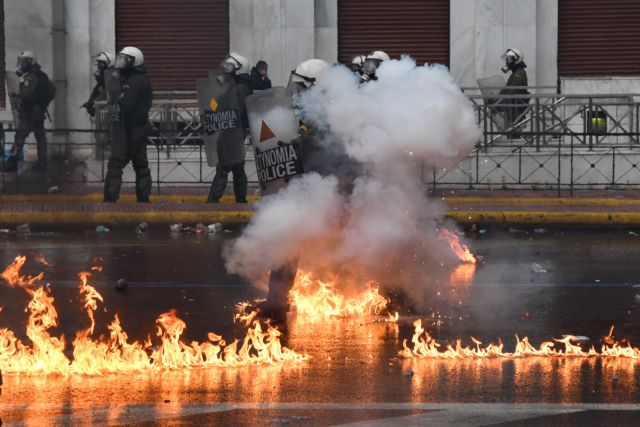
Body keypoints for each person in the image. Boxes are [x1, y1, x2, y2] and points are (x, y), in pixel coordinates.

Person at [257, 58, 330, 324]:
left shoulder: (328, 114)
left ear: (315, 85)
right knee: (287, 241)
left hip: (321, 190)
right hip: (306, 188)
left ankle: (395, 294)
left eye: (301, 86)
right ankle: (276, 300)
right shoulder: (308, 113)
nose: (297, 91)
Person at [103, 46, 153, 203]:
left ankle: (110, 199)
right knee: (141, 165)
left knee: (116, 164)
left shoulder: (133, 81)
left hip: (128, 128)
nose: (121, 62)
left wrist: (115, 86)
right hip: (136, 127)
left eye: (125, 59)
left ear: (133, 61)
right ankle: (143, 199)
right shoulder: (134, 78)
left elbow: (125, 104)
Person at [207, 52, 253, 204]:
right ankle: (241, 199)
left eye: (230, 66)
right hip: (234, 132)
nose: (226, 68)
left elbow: (236, 111)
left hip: (231, 132)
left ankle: (213, 200)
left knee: (223, 168)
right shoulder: (234, 86)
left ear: (239, 69)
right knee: (238, 168)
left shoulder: (240, 88)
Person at [3, 50, 55, 172]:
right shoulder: (40, 74)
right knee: (40, 136)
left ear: (30, 62)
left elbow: (26, 95)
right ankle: (42, 163)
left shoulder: (30, 77)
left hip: (30, 111)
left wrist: (17, 90)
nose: (21, 64)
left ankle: (11, 163)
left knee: (20, 137)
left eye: (24, 61)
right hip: (39, 110)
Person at [499, 48, 530, 130]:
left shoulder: (519, 73)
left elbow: (513, 90)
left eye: (509, 59)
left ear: (516, 60)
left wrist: (500, 97)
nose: (507, 62)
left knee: (514, 130)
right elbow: (508, 88)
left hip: (516, 106)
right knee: (511, 129)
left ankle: (515, 138)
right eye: (507, 59)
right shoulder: (515, 72)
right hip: (512, 106)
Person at [81, 51, 113, 117]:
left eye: (101, 63)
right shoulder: (101, 83)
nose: (98, 66)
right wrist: (89, 103)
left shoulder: (109, 79)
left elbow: (106, 96)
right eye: (98, 63)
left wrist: (92, 103)